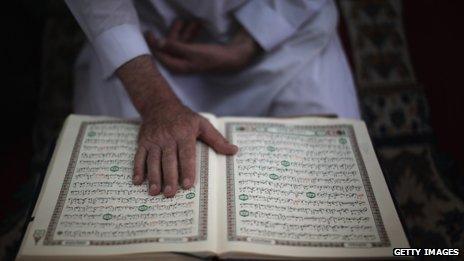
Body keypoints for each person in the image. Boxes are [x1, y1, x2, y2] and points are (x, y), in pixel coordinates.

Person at [65, 0, 360, 198]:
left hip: (288, 37)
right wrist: (156, 102)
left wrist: (251, 41)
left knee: (329, 180)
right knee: (112, 189)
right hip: (147, 44)